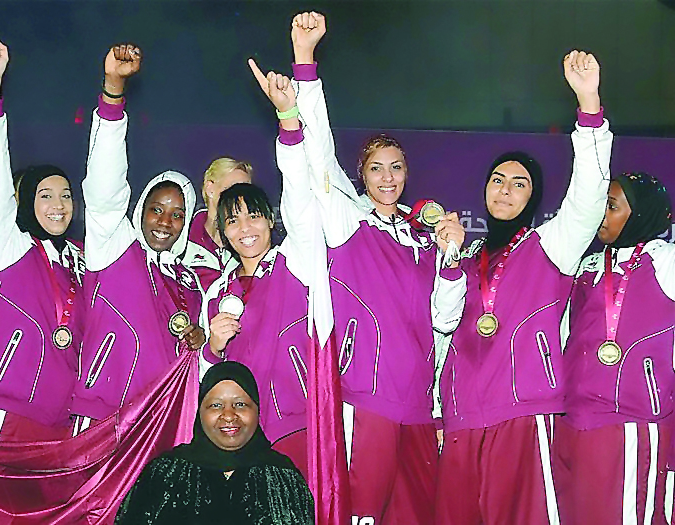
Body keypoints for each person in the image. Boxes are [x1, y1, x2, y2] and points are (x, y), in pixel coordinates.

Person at [287, 12, 466, 524]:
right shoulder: (348, 224)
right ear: (360, 175)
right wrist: (305, 61)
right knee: (358, 515)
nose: (386, 177)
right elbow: (319, 152)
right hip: (366, 399)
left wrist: (451, 259)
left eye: (395, 167)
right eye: (375, 168)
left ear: (408, 174)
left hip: (418, 404)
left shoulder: (424, 240)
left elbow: (446, 319)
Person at [431, 50, 611, 524]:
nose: (505, 190)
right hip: (462, 415)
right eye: (497, 180)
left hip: (523, 413)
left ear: (534, 198)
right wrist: (448, 259)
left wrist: (589, 106)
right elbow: (442, 321)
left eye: (519, 183)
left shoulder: (551, 246)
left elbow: (590, 197)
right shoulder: (465, 258)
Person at [71, 43, 207, 433]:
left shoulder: (190, 282)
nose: (166, 221)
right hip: (102, 419)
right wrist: (113, 93)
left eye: (178, 213)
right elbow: (104, 185)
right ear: (140, 211)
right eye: (156, 209)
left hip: (158, 425)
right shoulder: (115, 247)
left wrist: (197, 341)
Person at [203, 66, 321, 476]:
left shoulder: (298, 263)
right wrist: (212, 348)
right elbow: (206, 374)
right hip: (241, 436)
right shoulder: (217, 291)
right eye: (233, 220)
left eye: (254, 216)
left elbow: (301, 191)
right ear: (223, 231)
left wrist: (288, 118)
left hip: (300, 424)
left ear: (271, 220)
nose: (246, 229)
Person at [0, 40, 84, 441]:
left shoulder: (81, 263)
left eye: (66, 195)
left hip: (61, 422)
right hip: (7, 413)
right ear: (26, 203)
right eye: (45, 195)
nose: (58, 205)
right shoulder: (10, 249)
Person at [554, 172, 674, 524]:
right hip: (573, 422)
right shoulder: (586, 266)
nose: (600, 214)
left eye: (610, 206)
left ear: (641, 213)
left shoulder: (665, 262)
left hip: (631, 424)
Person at [115, 361, 315, 524]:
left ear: (257, 411)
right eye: (216, 405)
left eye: (240, 404)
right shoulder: (164, 473)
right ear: (200, 413)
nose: (229, 415)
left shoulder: (283, 477)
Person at [188, 157, 253, 291]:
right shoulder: (182, 242)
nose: (241, 199)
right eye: (233, 189)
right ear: (210, 188)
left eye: (247, 193)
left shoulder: (252, 243)